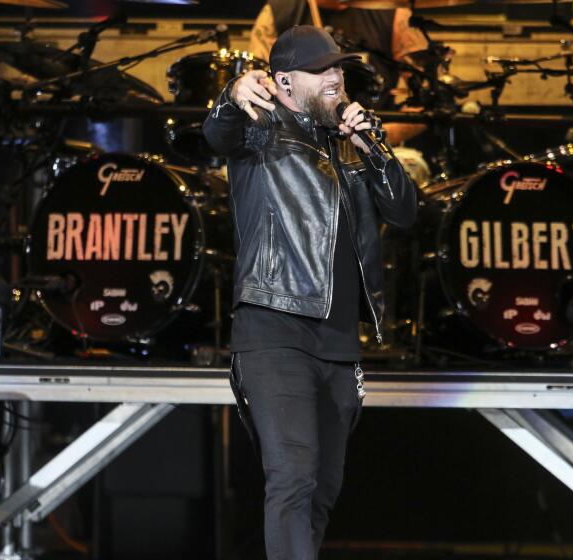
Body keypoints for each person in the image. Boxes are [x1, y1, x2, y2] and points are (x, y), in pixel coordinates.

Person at [202, 25, 416, 560]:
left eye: (338, 68)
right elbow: (217, 134)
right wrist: (231, 96)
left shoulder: (350, 141)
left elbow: (404, 211)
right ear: (283, 82)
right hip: (274, 329)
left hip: (339, 339)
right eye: (321, 69)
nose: (335, 76)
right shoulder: (261, 127)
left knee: (322, 489)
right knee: (293, 478)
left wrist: (373, 144)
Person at [250, 0, 428, 110]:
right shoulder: (277, 13)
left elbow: (428, 92)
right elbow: (260, 86)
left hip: (374, 135)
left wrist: (382, 136)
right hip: (301, 141)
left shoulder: (394, 12)